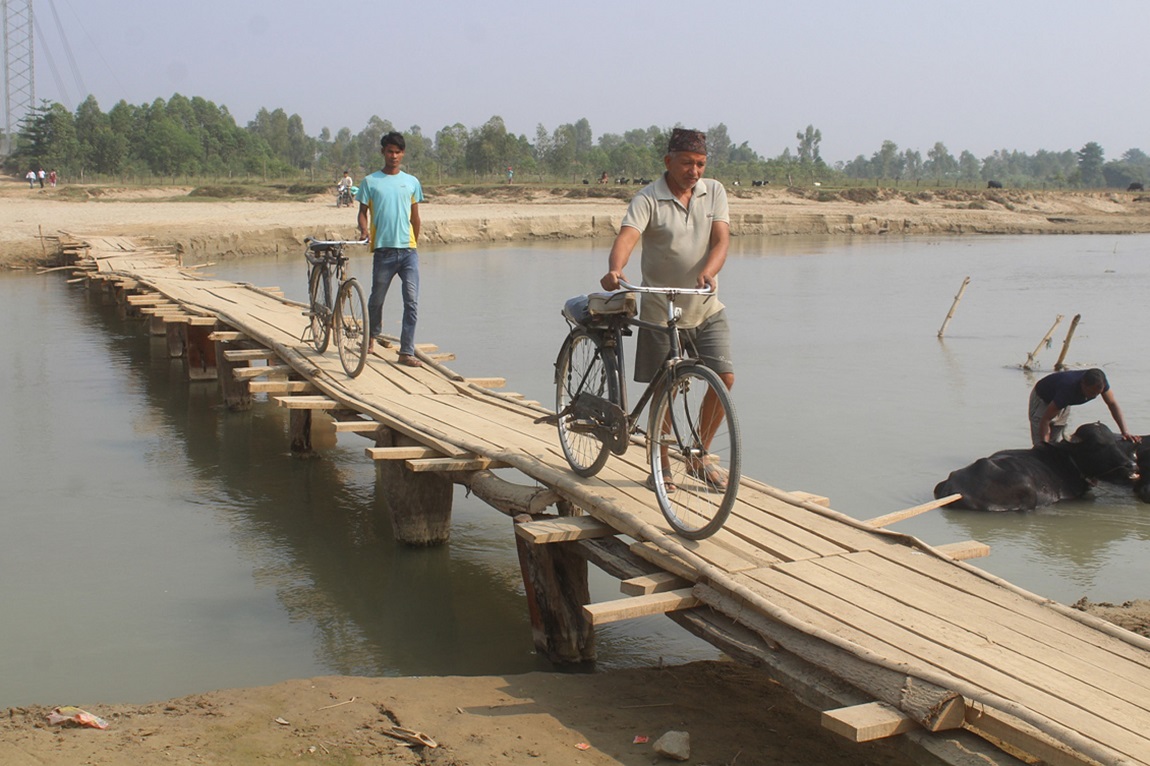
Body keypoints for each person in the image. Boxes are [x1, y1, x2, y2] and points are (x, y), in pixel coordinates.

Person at [600, 127, 732, 490]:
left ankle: (699, 455)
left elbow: (721, 239)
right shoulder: (647, 198)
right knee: (666, 389)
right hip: (661, 307)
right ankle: (660, 465)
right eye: (687, 162)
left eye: (701, 163)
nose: (694, 171)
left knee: (725, 377)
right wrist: (615, 269)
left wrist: (710, 270)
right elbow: (627, 237)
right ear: (668, 161)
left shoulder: (714, 191)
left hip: (705, 305)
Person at [356, 131, 425, 367]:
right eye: (389, 151)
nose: (393, 156)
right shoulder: (370, 182)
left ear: (402, 154)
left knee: (412, 301)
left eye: (397, 152)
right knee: (376, 299)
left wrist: (412, 243)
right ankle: (371, 337)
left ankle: (406, 351)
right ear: (383, 152)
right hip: (383, 251)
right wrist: (364, 231)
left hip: (408, 252)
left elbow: (416, 218)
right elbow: (362, 214)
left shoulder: (412, 182)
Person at [1028, 368, 1140, 446]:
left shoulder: (1100, 382)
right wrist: (1045, 447)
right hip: (1042, 398)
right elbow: (1045, 419)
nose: (1093, 396)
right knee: (1041, 444)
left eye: (1097, 393)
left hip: (1063, 403)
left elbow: (1112, 404)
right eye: (1091, 392)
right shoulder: (1068, 389)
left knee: (1055, 442)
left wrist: (1125, 432)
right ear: (1083, 384)